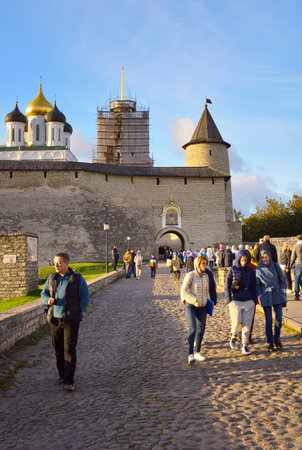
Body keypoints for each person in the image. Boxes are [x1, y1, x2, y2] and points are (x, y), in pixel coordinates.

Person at [41, 253, 90, 391]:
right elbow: (43, 293)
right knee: (58, 350)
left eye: (60, 263)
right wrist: (47, 300)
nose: (57, 265)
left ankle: (69, 380)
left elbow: (85, 298)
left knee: (69, 349)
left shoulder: (77, 279)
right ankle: (62, 375)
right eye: (55, 263)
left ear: (67, 263)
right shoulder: (52, 278)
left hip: (70, 320)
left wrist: (76, 311)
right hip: (55, 319)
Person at [181, 255, 217, 364]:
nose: (205, 266)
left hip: (203, 306)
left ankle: (197, 352)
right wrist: (194, 299)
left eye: (206, 263)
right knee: (193, 329)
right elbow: (183, 291)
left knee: (201, 329)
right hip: (191, 306)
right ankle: (190, 354)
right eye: (203, 264)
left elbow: (207, 291)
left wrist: (209, 302)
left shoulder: (206, 276)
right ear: (198, 264)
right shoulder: (190, 275)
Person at [225, 250, 257, 355]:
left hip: (248, 301)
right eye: (242, 260)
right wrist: (229, 300)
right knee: (237, 322)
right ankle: (233, 336)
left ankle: (244, 345)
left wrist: (253, 299)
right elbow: (227, 285)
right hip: (236, 301)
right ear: (238, 259)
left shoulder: (251, 271)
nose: (244, 262)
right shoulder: (232, 269)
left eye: (246, 260)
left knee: (247, 325)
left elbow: (254, 285)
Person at [256, 250, 287, 351]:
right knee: (268, 320)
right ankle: (270, 342)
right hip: (266, 295)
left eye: (266, 257)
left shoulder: (275, 266)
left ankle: (276, 338)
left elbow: (282, 279)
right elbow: (257, 285)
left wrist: (282, 291)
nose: (265, 259)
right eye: (263, 257)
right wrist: (260, 295)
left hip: (277, 294)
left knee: (279, 318)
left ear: (269, 256)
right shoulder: (258, 269)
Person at [290, 234, 302, 300]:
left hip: (298, 263)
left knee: (297, 279)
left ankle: (297, 295)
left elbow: (293, 257)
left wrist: (291, 265)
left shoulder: (296, 246)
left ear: (297, 239)